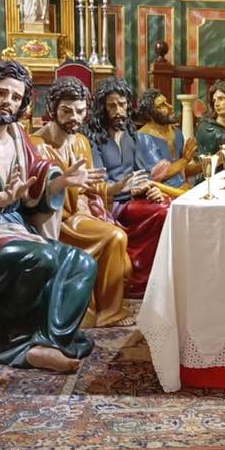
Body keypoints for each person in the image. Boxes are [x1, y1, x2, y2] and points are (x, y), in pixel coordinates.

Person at [0, 60, 97, 373]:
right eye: (1, 92)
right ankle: (17, 344)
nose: (8, 101)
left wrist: (61, 182)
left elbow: (37, 178)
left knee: (83, 262)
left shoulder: (16, 134)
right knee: (41, 258)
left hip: (17, 227)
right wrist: (4, 198)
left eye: (16, 97)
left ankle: (49, 341)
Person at [32, 77, 134, 327]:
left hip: (83, 214)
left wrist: (114, 188)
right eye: (66, 111)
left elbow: (91, 185)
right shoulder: (37, 145)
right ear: (52, 108)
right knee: (115, 237)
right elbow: (35, 195)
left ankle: (106, 310)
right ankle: (110, 312)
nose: (74, 118)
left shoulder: (80, 141)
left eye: (80, 111)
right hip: (56, 220)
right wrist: (67, 185)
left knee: (117, 237)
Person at [87, 77, 169, 298]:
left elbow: (142, 173)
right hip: (112, 204)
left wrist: (150, 188)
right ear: (102, 108)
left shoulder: (130, 134)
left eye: (122, 105)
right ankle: (138, 280)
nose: (118, 111)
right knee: (161, 213)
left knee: (169, 206)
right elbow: (97, 184)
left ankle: (154, 276)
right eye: (112, 106)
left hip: (135, 197)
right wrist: (123, 188)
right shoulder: (93, 138)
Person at [136, 89, 199, 194]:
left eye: (167, 102)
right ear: (149, 115)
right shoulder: (144, 138)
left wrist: (206, 164)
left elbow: (182, 169)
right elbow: (159, 175)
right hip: (160, 194)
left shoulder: (176, 132)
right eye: (161, 106)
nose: (170, 107)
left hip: (182, 190)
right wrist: (185, 160)